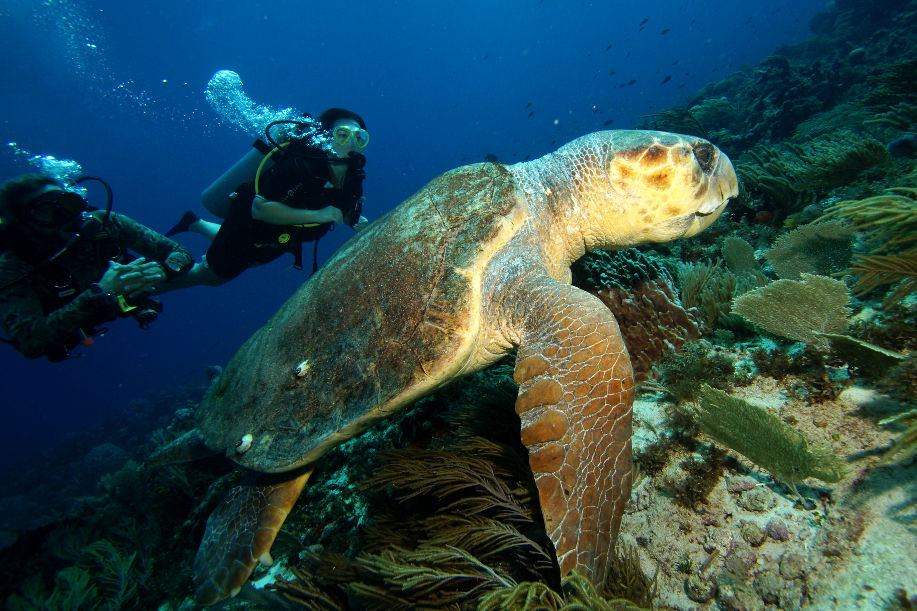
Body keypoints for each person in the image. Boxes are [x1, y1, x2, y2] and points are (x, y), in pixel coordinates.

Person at [161, 107, 370, 290]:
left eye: (359, 137)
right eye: (343, 134)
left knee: (255, 260)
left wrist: (353, 218)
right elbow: (259, 209)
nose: (352, 142)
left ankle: (194, 223)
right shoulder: (301, 166)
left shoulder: (353, 174)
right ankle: (143, 289)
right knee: (211, 277)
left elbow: (339, 202)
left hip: (282, 236)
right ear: (326, 136)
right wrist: (319, 215)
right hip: (247, 227)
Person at [0, 174, 193, 361]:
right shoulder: (12, 267)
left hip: (128, 296)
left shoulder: (105, 223)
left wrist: (163, 270)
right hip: (76, 326)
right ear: (23, 224)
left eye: (68, 204)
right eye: (47, 212)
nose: (67, 217)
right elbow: (30, 341)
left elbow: (180, 253)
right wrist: (100, 293)